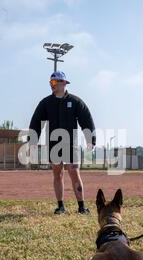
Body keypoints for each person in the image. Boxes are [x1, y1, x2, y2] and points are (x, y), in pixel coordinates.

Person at [29, 71, 96, 215]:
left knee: (74, 171)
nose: (51, 85)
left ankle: (81, 207)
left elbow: (87, 120)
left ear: (63, 83)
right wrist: (33, 140)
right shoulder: (46, 103)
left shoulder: (76, 101)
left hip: (71, 142)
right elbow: (36, 121)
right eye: (50, 83)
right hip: (54, 142)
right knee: (57, 173)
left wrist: (91, 140)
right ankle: (60, 206)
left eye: (54, 82)